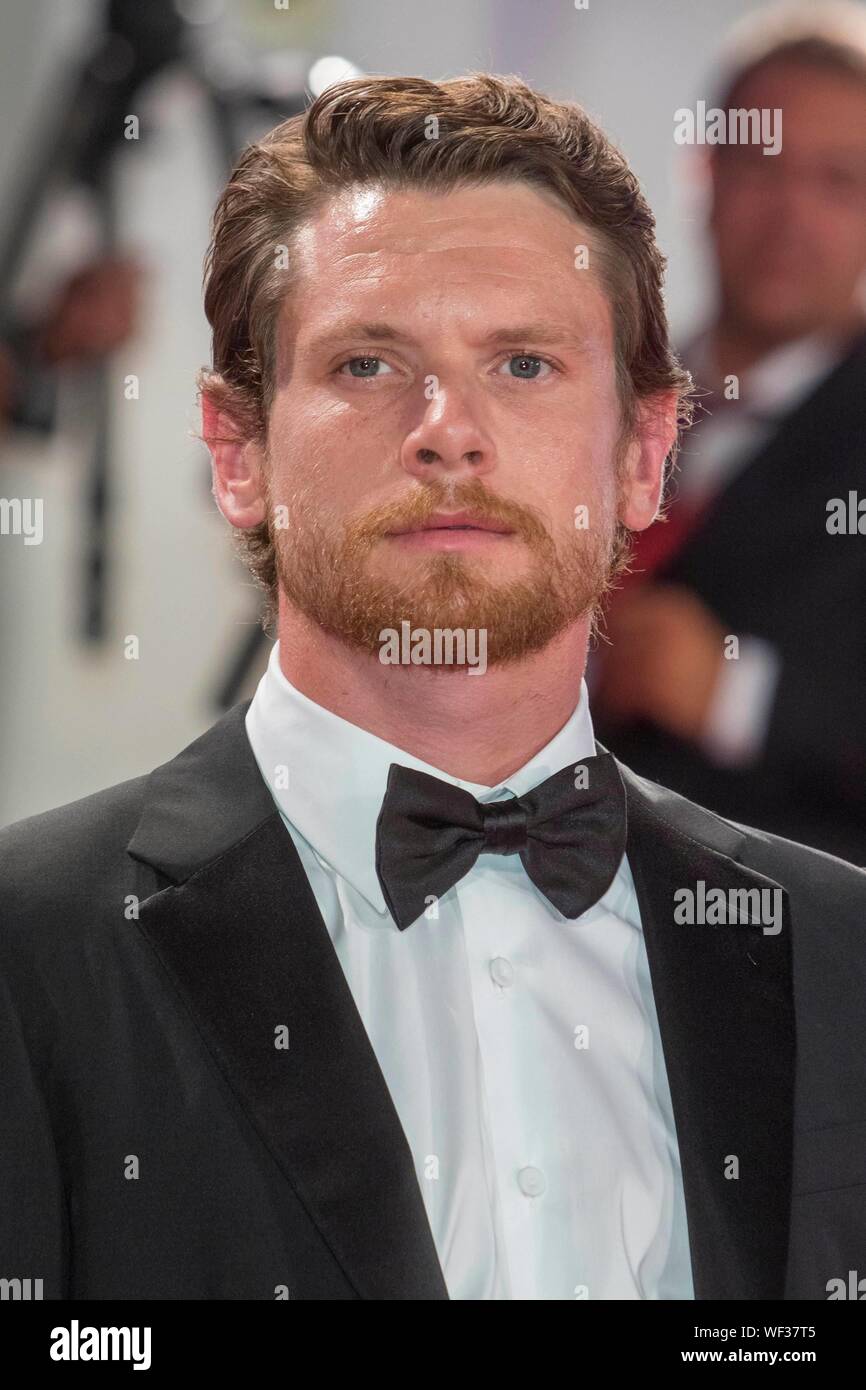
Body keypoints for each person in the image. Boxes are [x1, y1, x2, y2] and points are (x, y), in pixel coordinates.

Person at [1, 71, 864, 1302]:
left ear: (643, 453)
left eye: (521, 364)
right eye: (365, 363)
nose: (446, 430)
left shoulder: (841, 957)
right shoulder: (28, 954)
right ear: (238, 453)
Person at [592, 2, 866, 866]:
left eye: (839, 181)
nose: (792, 214)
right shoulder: (594, 393)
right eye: (762, 166)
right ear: (700, 172)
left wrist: (736, 695)